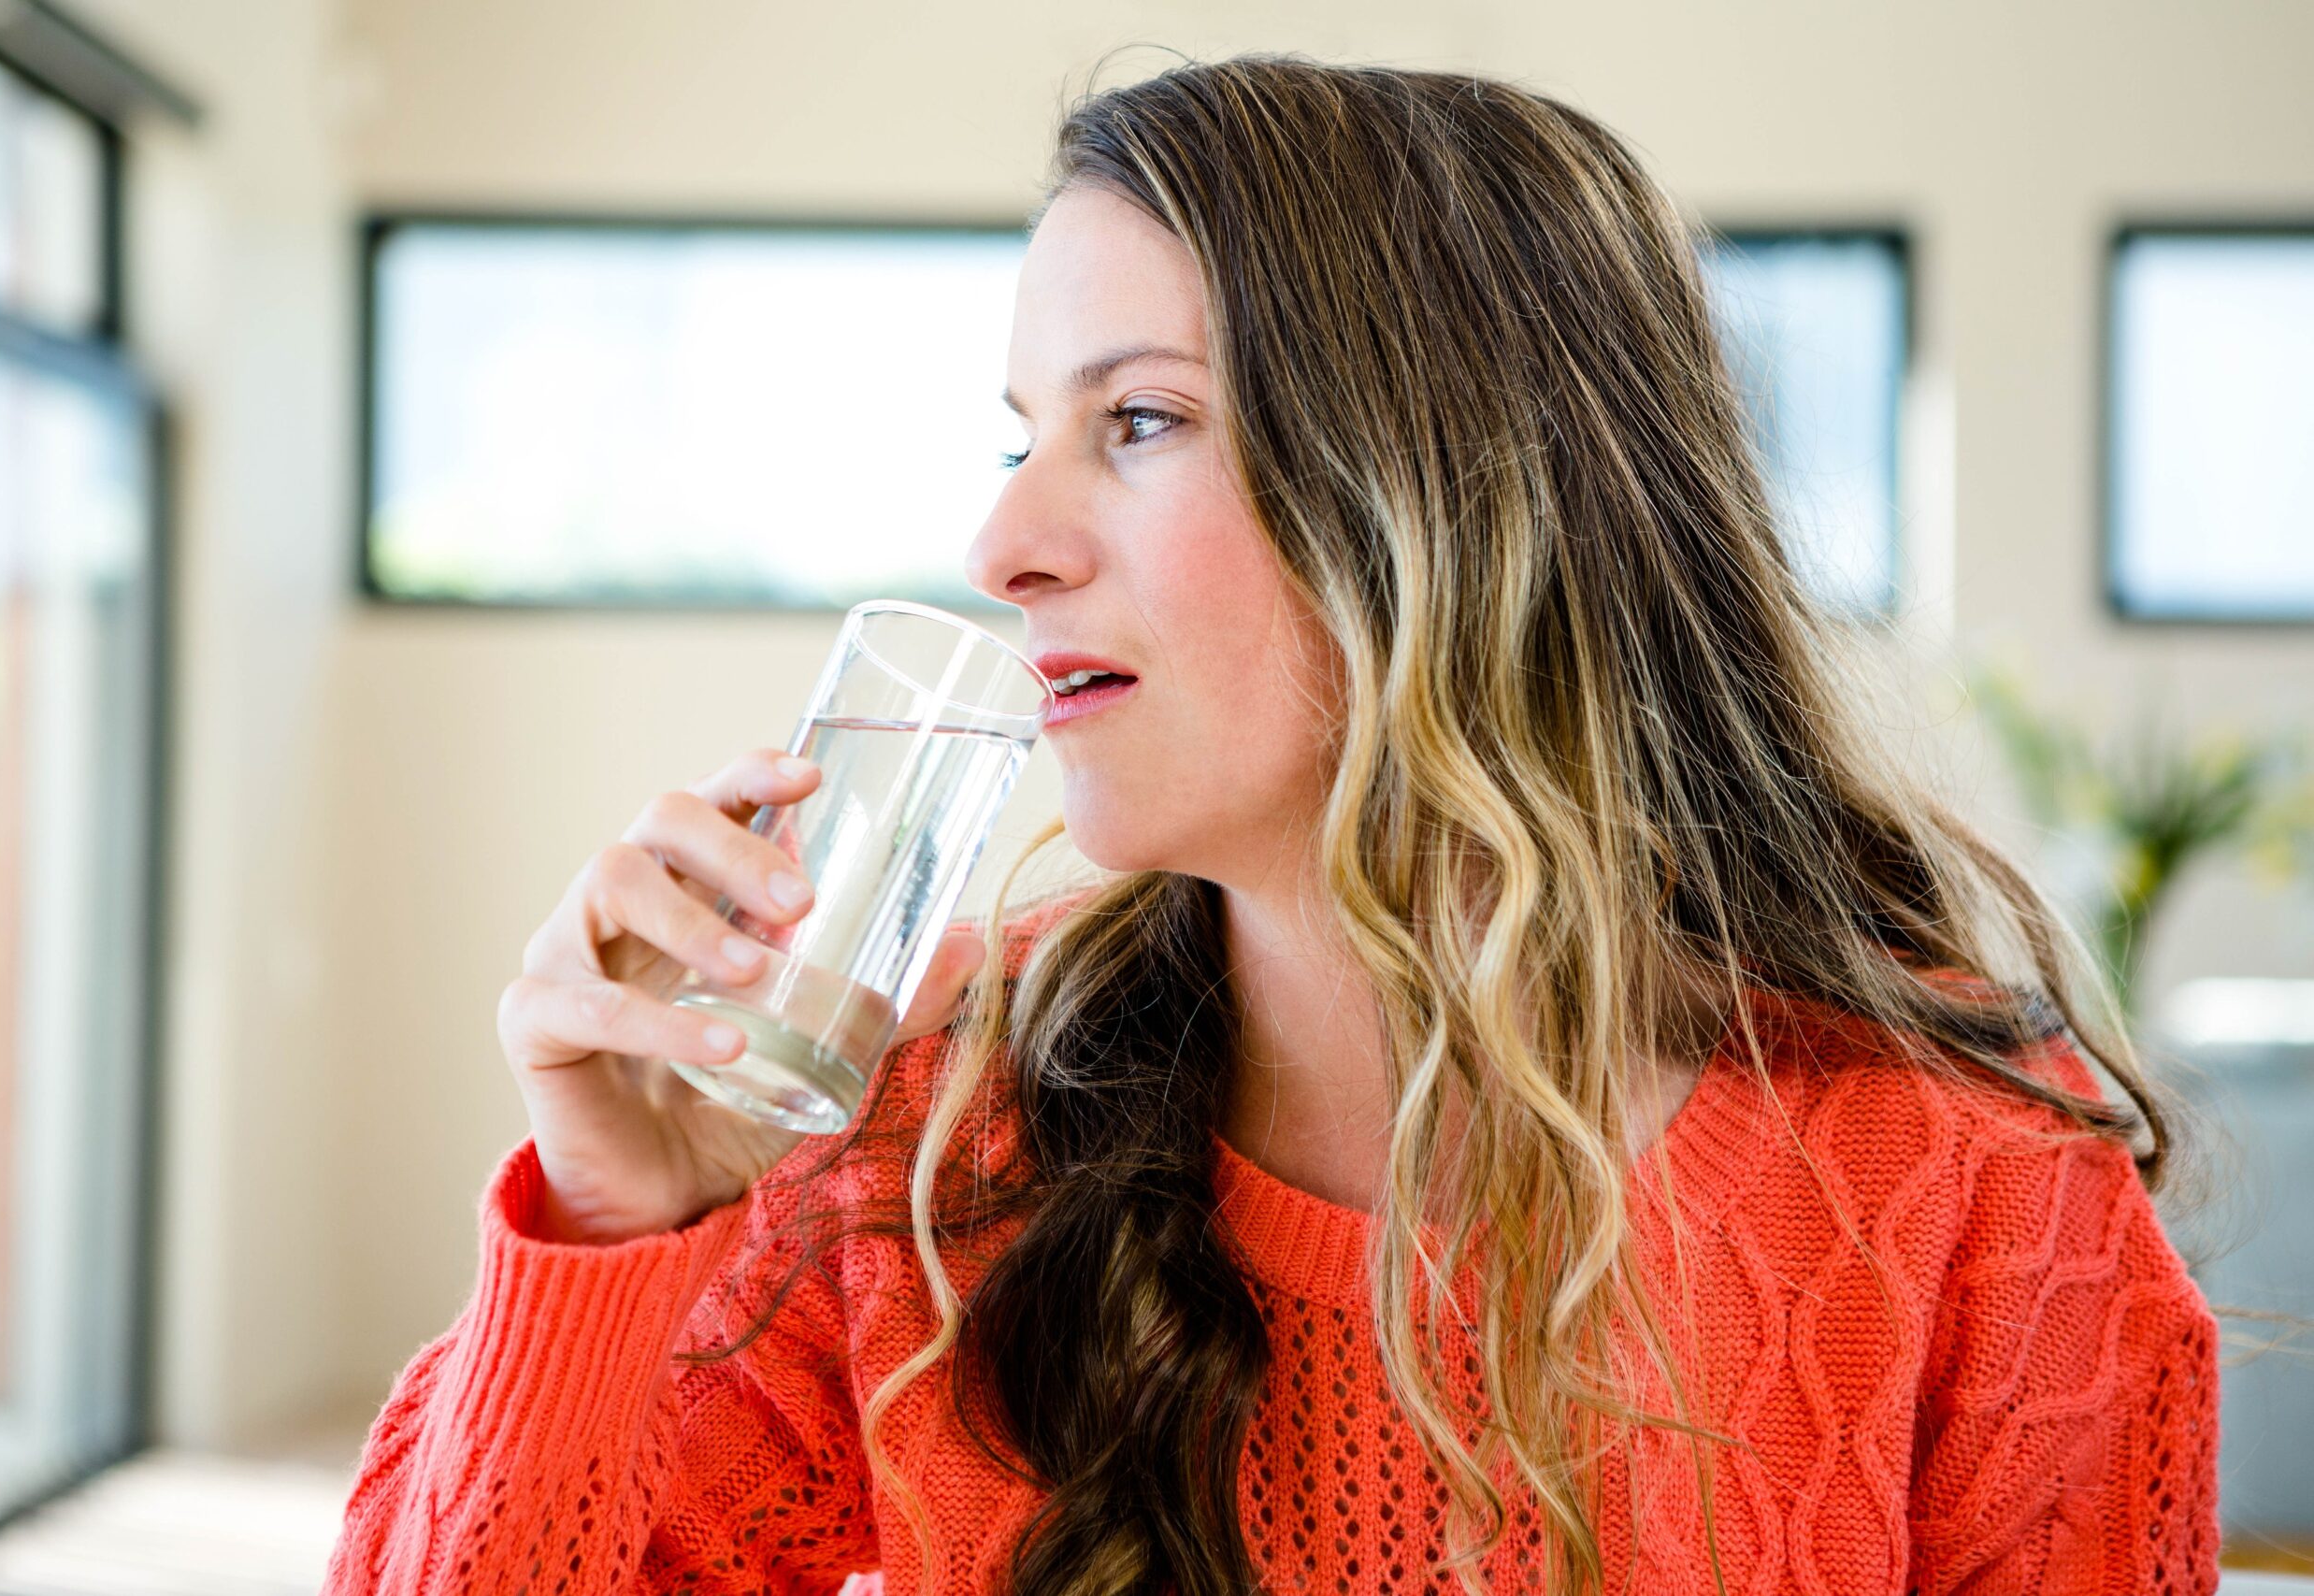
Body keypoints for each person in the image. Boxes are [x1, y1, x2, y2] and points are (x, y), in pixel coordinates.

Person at [321, 53, 2222, 1596]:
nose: (1003, 543)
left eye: (1135, 421)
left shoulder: (1972, 1188)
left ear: (1460, 497)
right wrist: (609, 1218)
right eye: (1020, 435)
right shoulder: (926, 1125)